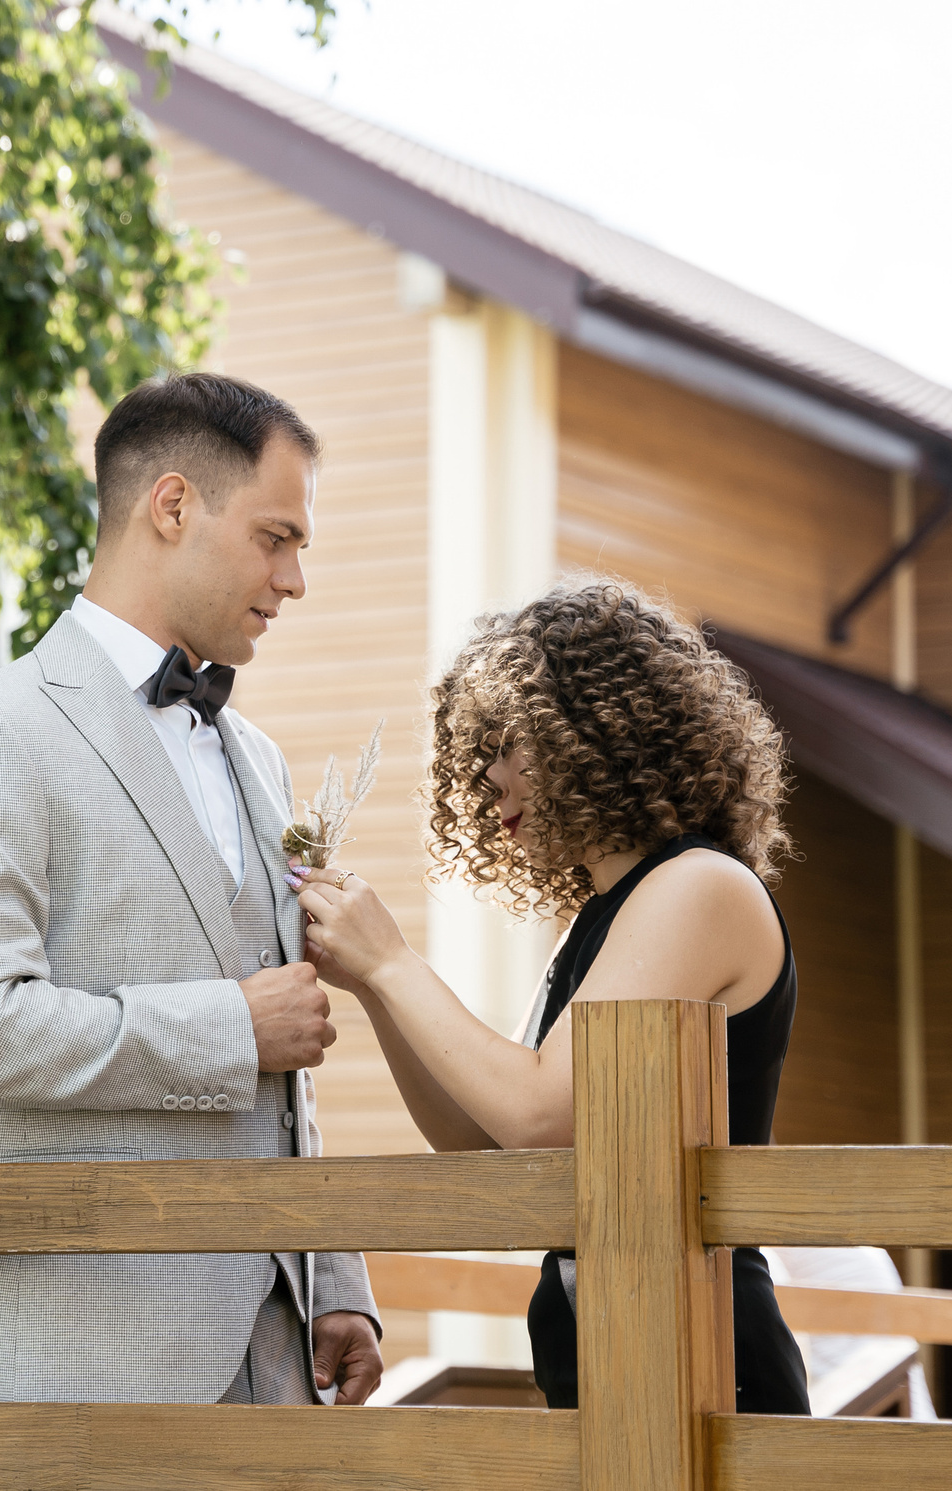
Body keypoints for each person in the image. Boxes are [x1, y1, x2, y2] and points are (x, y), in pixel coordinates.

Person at [0, 371, 382, 1406]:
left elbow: (285, 1056)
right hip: (74, 1378)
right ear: (171, 507)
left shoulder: (258, 758)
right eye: (276, 537)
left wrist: (331, 1278)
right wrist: (226, 1027)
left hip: (273, 1370)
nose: (295, 580)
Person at [290, 578, 810, 1414]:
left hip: (703, 1365)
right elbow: (482, 1142)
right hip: (608, 1356)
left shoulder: (699, 886)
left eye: (505, 743)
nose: (488, 778)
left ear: (594, 728)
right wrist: (374, 990)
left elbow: (541, 1111)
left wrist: (394, 963)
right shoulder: (605, 916)